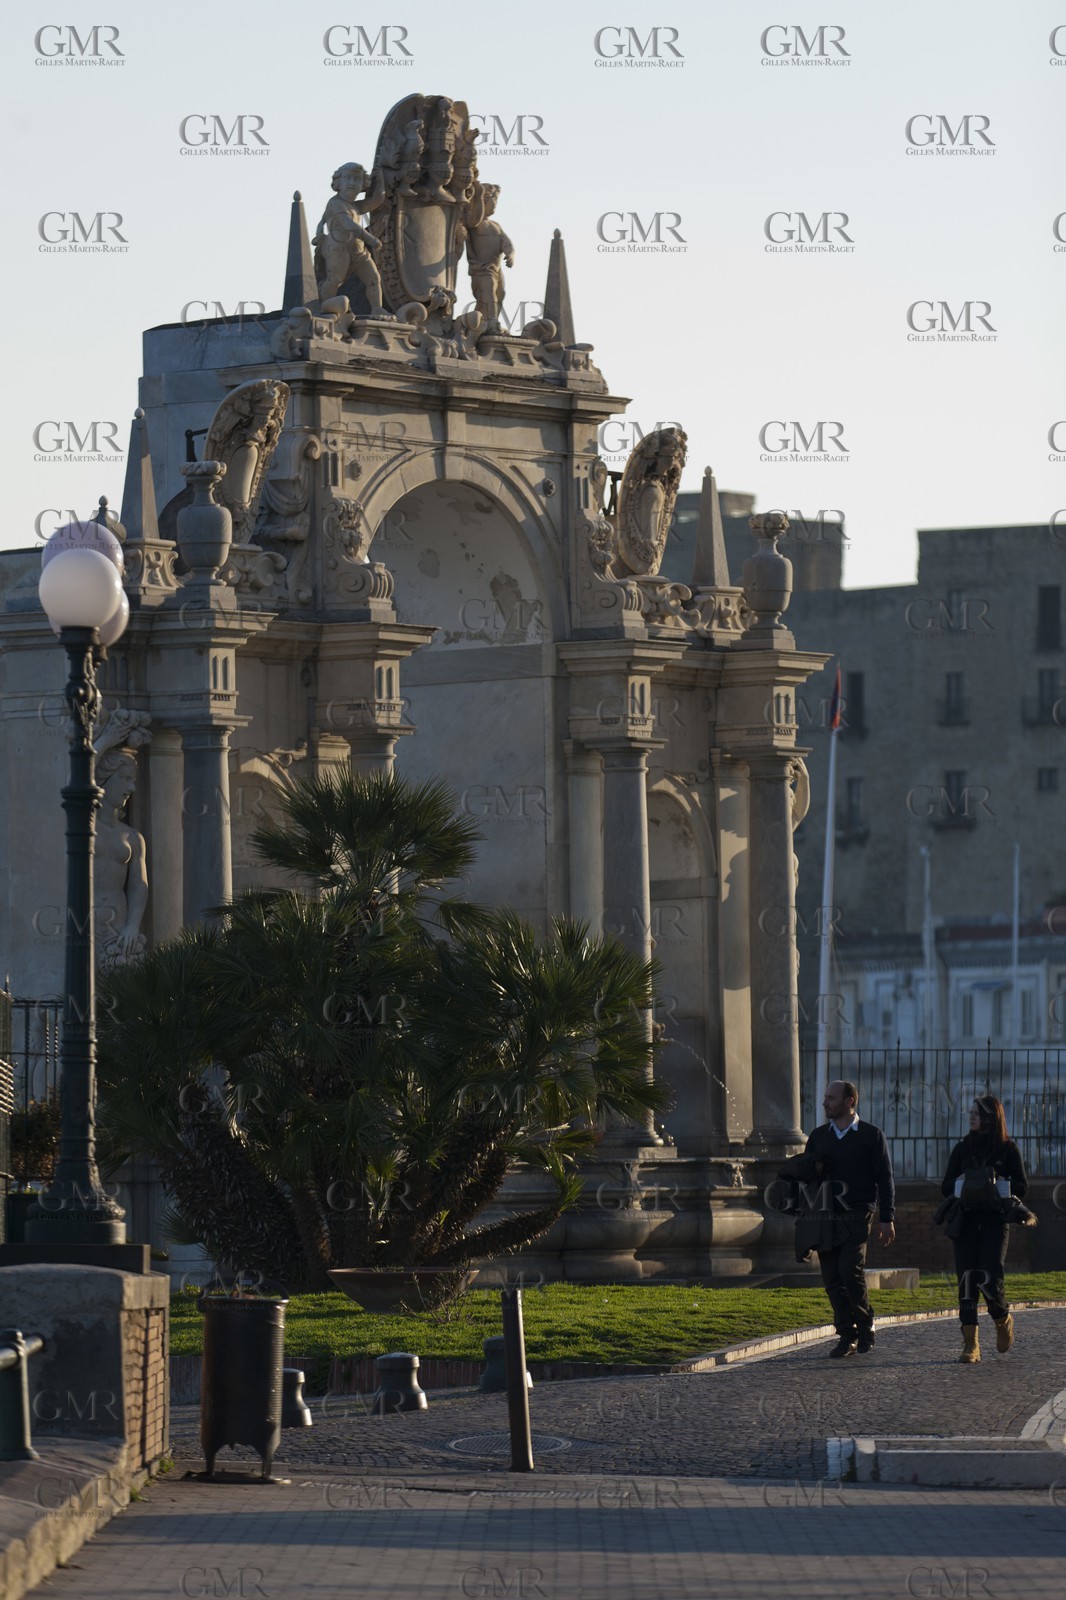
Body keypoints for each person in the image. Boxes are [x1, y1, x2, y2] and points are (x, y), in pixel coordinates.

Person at [804, 1080, 895, 1358]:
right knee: (831, 1277)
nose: (825, 1103)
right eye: (824, 1097)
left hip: (858, 1211)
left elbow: (885, 1178)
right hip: (826, 1215)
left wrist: (886, 1217)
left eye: (831, 1098)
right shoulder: (819, 1136)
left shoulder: (871, 1135)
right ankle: (847, 1334)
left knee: (850, 1270)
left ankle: (866, 1325)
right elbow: (807, 1179)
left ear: (849, 1101)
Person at [940, 1095, 1028, 1363]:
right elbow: (945, 1188)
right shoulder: (962, 1149)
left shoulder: (1007, 1150)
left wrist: (1001, 1181)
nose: (971, 1117)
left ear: (991, 1117)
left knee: (990, 1277)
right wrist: (963, 1180)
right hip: (966, 1221)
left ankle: (1002, 1319)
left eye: (976, 1113)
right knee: (967, 1280)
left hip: (994, 1221)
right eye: (971, 1113)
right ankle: (971, 1345)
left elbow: (1023, 1187)